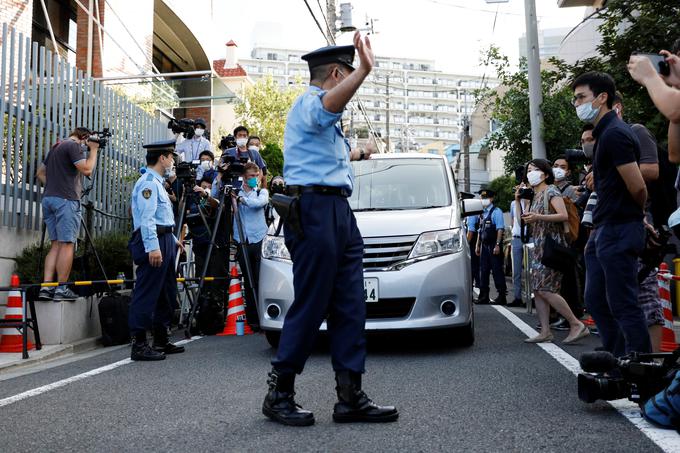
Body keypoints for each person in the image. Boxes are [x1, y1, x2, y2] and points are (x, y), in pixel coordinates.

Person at [263, 33, 397, 427]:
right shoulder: (310, 103)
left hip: (338, 210)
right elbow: (328, 107)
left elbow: (327, 155)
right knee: (311, 303)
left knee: (350, 304)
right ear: (337, 73)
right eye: (349, 76)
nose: (350, 85)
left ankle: (350, 397)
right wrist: (367, 71)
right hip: (316, 211)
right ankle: (279, 392)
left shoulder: (321, 118)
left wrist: (359, 152)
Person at [572, 71, 651, 356]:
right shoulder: (604, 134)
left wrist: (636, 215)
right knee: (595, 299)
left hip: (619, 227)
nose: (577, 103)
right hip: (604, 228)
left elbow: (638, 186)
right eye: (575, 98)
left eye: (581, 97)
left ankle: (640, 368)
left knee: (623, 302)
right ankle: (617, 357)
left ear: (602, 97)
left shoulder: (616, 134)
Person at [519, 159, 589, 344]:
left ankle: (576, 323)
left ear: (545, 174)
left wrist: (538, 216)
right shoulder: (535, 195)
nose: (530, 173)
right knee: (538, 288)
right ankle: (545, 330)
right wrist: (523, 203)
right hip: (539, 246)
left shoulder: (551, 191)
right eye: (529, 170)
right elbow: (528, 218)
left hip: (551, 246)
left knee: (546, 288)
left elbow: (563, 215)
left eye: (534, 170)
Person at [127, 139, 186, 361]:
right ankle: (139, 345)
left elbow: (161, 217)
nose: (172, 161)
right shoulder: (149, 184)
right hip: (153, 242)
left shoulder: (158, 183)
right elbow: (146, 219)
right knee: (147, 292)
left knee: (166, 292)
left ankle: (161, 339)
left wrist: (171, 238)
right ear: (162, 158)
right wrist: (153, 247)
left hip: (164, 239)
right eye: (171, 156)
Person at [36, 127, 99, 301]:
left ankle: (47, 288)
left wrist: (56, 185)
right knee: (67, 244)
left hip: (49, 199)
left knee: (55, 244)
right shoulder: (73, 146)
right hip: (66, 201)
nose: (86, 146)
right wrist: (93, 150)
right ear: (83, 137)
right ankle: (62, 289)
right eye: (87, 142)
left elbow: (40, 173)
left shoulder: (56, 146)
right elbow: (87, 169)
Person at [233, 163, 269, 330]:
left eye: (256, 175)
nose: (254, 179)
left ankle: (265, 317)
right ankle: (253, 319)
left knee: (261, 279)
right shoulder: (235, 192)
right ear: (244, 178)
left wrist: (241, 200)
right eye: (251, 177)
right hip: (243, 241)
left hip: (259, 239)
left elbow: (258, 203)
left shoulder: (262, 192)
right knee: (248, 281)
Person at [473, 189, 507, 305]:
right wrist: (478, 245)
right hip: (484, 245)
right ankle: (483, 296)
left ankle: (502, 296)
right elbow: (479, 230)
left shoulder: (496, 211)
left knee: (497, 271)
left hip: (493, 245)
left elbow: (500, 229)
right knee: (483, 270)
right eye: (482, 198)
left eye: (486, 198)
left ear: (491, 199)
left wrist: (497, 245)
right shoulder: (482, 213)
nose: (483, 200)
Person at [509, 177, 529, 308]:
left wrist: (526, 199)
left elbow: (524, 218)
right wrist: (517, 200)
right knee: (516, 271)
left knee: (530, 271)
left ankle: (531, 298)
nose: (521, 191)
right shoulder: (513, 204)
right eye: (519, 188)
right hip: (516, 238)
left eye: (523, 189)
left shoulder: (531, 201)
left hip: (529, 238)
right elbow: (514, 219)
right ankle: (517, 297)